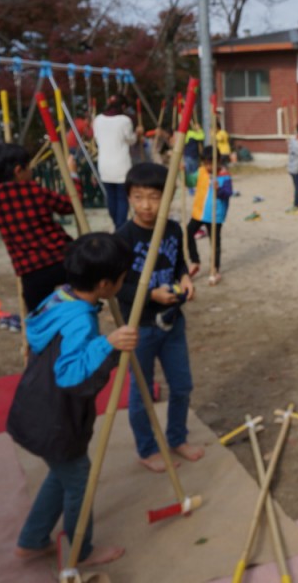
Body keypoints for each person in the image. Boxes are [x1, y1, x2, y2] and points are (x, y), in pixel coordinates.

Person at [7, 232, 136, 567]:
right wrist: (107, 344)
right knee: (79, 480)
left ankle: (32, 540)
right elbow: (70, 375)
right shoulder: (80, 319)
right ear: (105, 284)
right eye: (122, 278)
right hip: (55, 417)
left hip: (36, 406)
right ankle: (81, 550)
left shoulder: (59, 296)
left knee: (63, 472)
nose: (123, 283)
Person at [115, 163, 204, 472]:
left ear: (167, 197)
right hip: (139, 328)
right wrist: (151, 295)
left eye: (154, 197)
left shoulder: (172, 229)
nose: (146, 205)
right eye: (138, 197)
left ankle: (177, 438)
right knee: (142, 394)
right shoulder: (123, 238)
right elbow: (117, 288)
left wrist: (185, 278)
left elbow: (178, 263)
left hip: (172, 322)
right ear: (128, 197)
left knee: (182, 386)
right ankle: (147, 449)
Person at [0, 143, 80, 311]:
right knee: (81, 298)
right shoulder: (34, 191)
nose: (31, 171)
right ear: (18, 170)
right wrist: (73, 175)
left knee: (38, 316)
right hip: (60, 259)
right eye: (28, 167)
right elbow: (70, 205)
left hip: (30, 270)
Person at [94, 95, 140, 228]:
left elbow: (97, 138)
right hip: (121, 164)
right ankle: (120, 226)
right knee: (121, 197)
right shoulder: (125, 120)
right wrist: (137, 134)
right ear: (123, 106)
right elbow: (130, 140)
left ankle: (116, 223)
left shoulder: (98, 119)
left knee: (111, 196)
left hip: (104, 163)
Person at [187, 146, 233, 283]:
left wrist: (219, 190)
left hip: (215, 215)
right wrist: (182, 173)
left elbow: (228, 193)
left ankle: (215, 269)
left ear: (218, 161)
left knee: (214, 243)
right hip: (199, 212)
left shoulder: (224, 175)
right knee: (188, 233)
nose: (208, 167)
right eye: (206, 163)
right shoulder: (201, 171)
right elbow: (190, 181)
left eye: (211, 163)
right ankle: (195, 261)